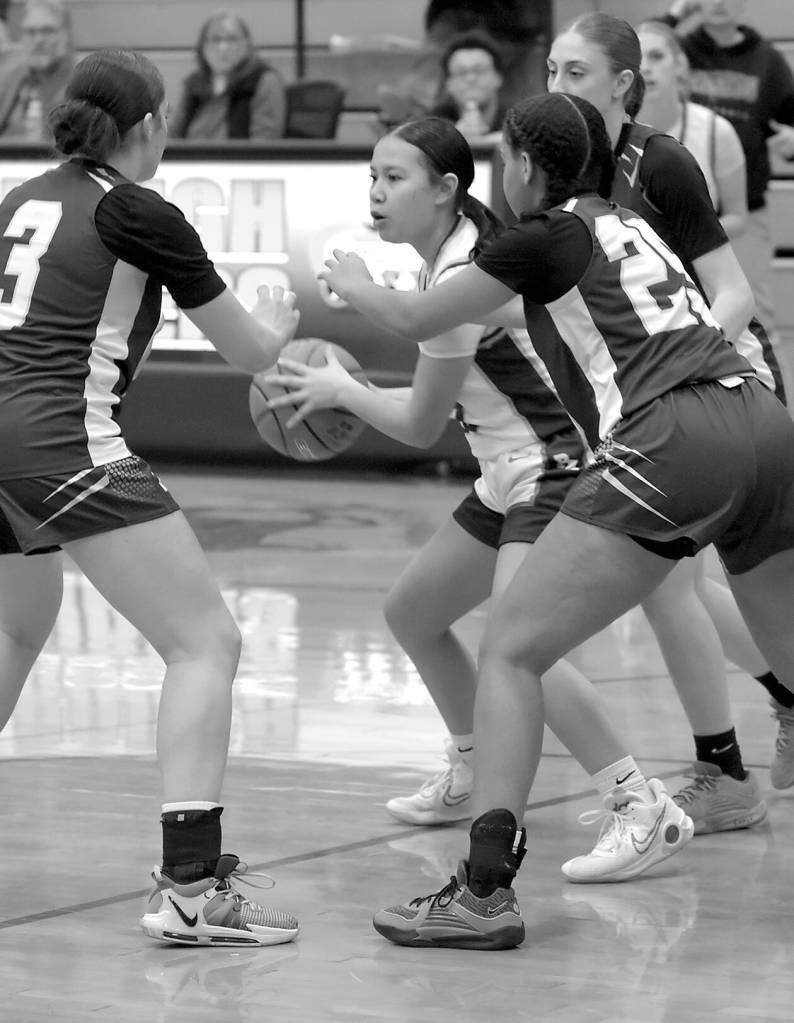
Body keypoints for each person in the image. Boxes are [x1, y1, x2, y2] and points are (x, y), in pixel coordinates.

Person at [318, 90, 794, 951]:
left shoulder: (541, 236)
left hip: (672, 436)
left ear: (525, 166)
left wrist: (354, 285)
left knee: (510, 646)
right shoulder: (628, 224)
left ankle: (485, 889)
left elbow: (423, 318)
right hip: (760, 415)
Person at [268, 113, 693, 884]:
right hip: (508, 469)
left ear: (447, 189)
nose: (377, 191)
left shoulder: (464, 273)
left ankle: (639, 801)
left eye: (395, 178)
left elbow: (418, 422)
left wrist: (342, 388)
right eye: (371, 175)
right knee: (413, 611)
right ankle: (472, 762)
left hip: (554, 466)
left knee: (519, 642)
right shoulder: (457, 260)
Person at [0, 48, 300, 946]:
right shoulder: (139, 208)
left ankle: (191, 882)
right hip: (58, 439)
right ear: (146, 129)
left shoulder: (21, 198)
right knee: (206, 638)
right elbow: (249, 352)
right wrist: (284, 327)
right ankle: (191, 887)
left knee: (17, 625)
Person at [661, 0, 794, 391]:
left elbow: (788, 125)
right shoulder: (681, 48)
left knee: (758, 320)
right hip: (679, 216)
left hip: (742, 215)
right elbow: (638, 46)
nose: (718, 3)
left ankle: (778, 414)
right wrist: (675, 14)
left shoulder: (767, 61)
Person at [637, 19, 747, 240]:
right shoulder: (610, 128)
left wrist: (683, 242)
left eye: (656, 56)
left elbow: (738, 218)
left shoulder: (716, 130)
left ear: (679, 65)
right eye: (637, 60)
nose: (646, 67)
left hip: (697, 265)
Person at [169, 10, 285, 140]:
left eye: (231, 39)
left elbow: (265, 140)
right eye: (215, 39)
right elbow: (173, 136)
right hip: (191, 158)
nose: (223, 47)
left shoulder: (264, 81)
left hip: (239, 159)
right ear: (202, 47)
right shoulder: (194, 83)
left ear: (247, 44)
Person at [0, 0, 75, 141]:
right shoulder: (9, 78)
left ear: (66, 35)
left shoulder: (82, 85)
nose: (38, 40)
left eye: (47, 31)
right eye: (31, 32)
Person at [429, 32, 507, 142]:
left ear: (498, 77)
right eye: (461, 72)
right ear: (448, 84)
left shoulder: (518, 123)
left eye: (479, 70)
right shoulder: (430, 127)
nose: (471, 78)